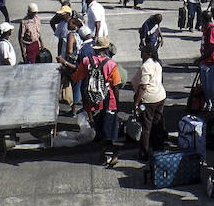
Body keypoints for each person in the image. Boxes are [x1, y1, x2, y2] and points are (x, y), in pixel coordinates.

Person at [71, 37, 122, 166]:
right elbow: (115, 86)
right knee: (110, 130)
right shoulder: (111, 64)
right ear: (106, 49)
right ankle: (114, 154)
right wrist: (117, 102)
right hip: (108, 101)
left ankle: (103, 156)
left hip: (92, 102)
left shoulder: (86, 61)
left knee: (99, 130)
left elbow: (77, 77)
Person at [132, 45, 167, 161]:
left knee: (146, 128)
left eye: (143, 52)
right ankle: (159, 150)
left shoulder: (146, 66)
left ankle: (144, 153)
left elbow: (142, 87)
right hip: (160, 96)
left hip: (149, 100)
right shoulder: (157, 63)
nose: (141, 54)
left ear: (149, 53)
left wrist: (136, 103)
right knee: (158, 124)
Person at [199, 11, 214, 112]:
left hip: (212, 62)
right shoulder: (205, 28)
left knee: (213, 86)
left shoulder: (212, 30)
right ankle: (209, 104)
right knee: (206, 86)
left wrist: (201, 59)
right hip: (205, 62)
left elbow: (213, 48)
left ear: (204, 19)